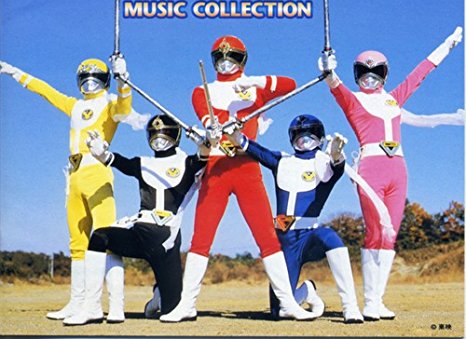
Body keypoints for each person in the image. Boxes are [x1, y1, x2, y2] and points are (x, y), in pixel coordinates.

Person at [160, 35, 317, 322]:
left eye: (231, 57)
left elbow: (290, 85)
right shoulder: (202, 90)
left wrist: (254, 82)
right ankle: (187, 304)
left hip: (247, 167)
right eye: (220, 57)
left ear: (242, 59)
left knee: (266, 236)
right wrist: (213, 128)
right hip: (216, 168)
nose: (225, 62)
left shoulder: (254, 90)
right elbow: (206, 115)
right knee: (201, 238)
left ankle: (287, 303)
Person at [318, 26, 463, 321]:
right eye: (363, 72)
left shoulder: (394, 100)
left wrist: (447, 45)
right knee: (375, 231)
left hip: (398, 169)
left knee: (391, 234)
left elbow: (420, 74)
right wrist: (328, 70)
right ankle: (370, 302)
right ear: (357, 74)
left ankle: (378, 300)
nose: (369, 77)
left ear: (384, 74)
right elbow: (336, 87)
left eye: (376, 72)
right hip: (371, 169)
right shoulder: (354, 100)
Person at [0, 55, 132, 321]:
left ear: (105, 81)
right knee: (77, 243)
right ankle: (77, 302)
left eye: (96, 78)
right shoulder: (74, 106)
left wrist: (124, 80)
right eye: (85, 78)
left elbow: (124, 110)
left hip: (98, 172)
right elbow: (47, 91)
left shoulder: (109, 103)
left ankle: (113, 306)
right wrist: (15, 73)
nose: (90, 83)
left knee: (107, 239)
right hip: (74, 175)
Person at [62, 114, 208, 325]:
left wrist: (205, 142)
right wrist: (102, 154)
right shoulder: (143, 163)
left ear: (175, 136)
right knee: (100, 237)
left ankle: (159, 295)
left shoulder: (187, 162)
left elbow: (204, 157)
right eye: (154, 134)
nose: (159, 139)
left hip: (166, 240)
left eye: (165, 133)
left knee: (172, 311)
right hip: (139, 233)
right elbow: (120, 162)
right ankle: (92, 307)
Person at [228, 114, 364, 324]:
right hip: (283, 239)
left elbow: (336, 167)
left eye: (310, 134)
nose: (304, 139)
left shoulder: (324, 164)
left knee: (331, 237)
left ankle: (350, 307)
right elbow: (257, 150)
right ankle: (307, 290)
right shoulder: (282, 160)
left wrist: (337, 155)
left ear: (320, 137)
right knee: (280, 312)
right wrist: (236, 135)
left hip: (308, 235)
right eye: (299, 135)